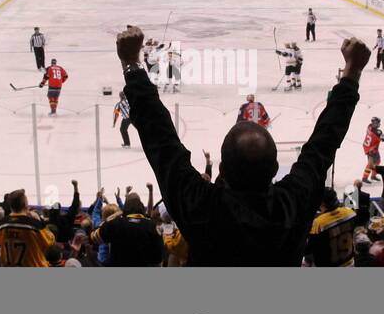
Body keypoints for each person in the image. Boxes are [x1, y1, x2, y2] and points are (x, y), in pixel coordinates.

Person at [119, 25, 369, 265]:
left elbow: (161, 141)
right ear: (274, 169)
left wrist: (132, 64)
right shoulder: (292, 203)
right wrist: (352, 73)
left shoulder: (200, 206)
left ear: (223, 170)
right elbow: (323, 143)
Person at [91, 192, 163, 265]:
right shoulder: (152, 226)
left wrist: (111, 218)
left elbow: (94, 237)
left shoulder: (115, 224)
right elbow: (158, 257)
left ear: (125, 208)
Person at [0, 189, 55, 267]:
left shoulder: (2, 225)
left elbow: (0, 243)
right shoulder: (34, 225)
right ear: (25, 205)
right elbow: (51, 241)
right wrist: (39, 221)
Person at [308, 187, 358, 266]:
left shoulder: (319, 223)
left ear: (322, 203)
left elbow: (309, 249)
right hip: (350, 263)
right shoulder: (350, 213)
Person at [361, 116, 384, 184]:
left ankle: (373, 175)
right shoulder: (378, 132)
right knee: (370, 164)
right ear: (374, 123)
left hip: (369, 146)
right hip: (371, 149)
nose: (379, 124)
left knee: (377, 161)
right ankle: (364, 178)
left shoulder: (369, 126)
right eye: (378, 123)